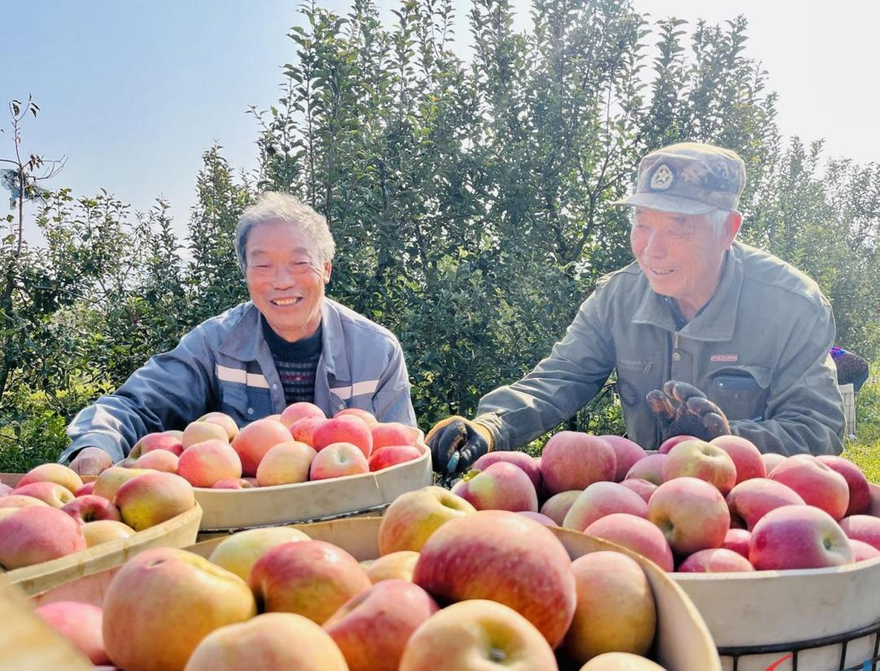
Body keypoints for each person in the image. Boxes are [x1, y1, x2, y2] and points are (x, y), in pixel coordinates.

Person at [427, 142, 846, 474]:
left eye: (677, 229)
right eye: (642, 225)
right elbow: (561, 377)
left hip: (750, 515)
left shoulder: (791, 306)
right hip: (646, 509)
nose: (652, 249)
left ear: (728, 231)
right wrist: (490, 427)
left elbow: (818, 431)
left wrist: (723, 438)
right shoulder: (618, 298)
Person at [62, 192, 417, 475]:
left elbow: (400, 456)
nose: (281, 281)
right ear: (246, 273)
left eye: (299, 262)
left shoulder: (376, 351)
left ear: (325, 269)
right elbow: (134, 405)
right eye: (262, 264)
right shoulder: (215, 345)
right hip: (241, 524)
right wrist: (95, 445)